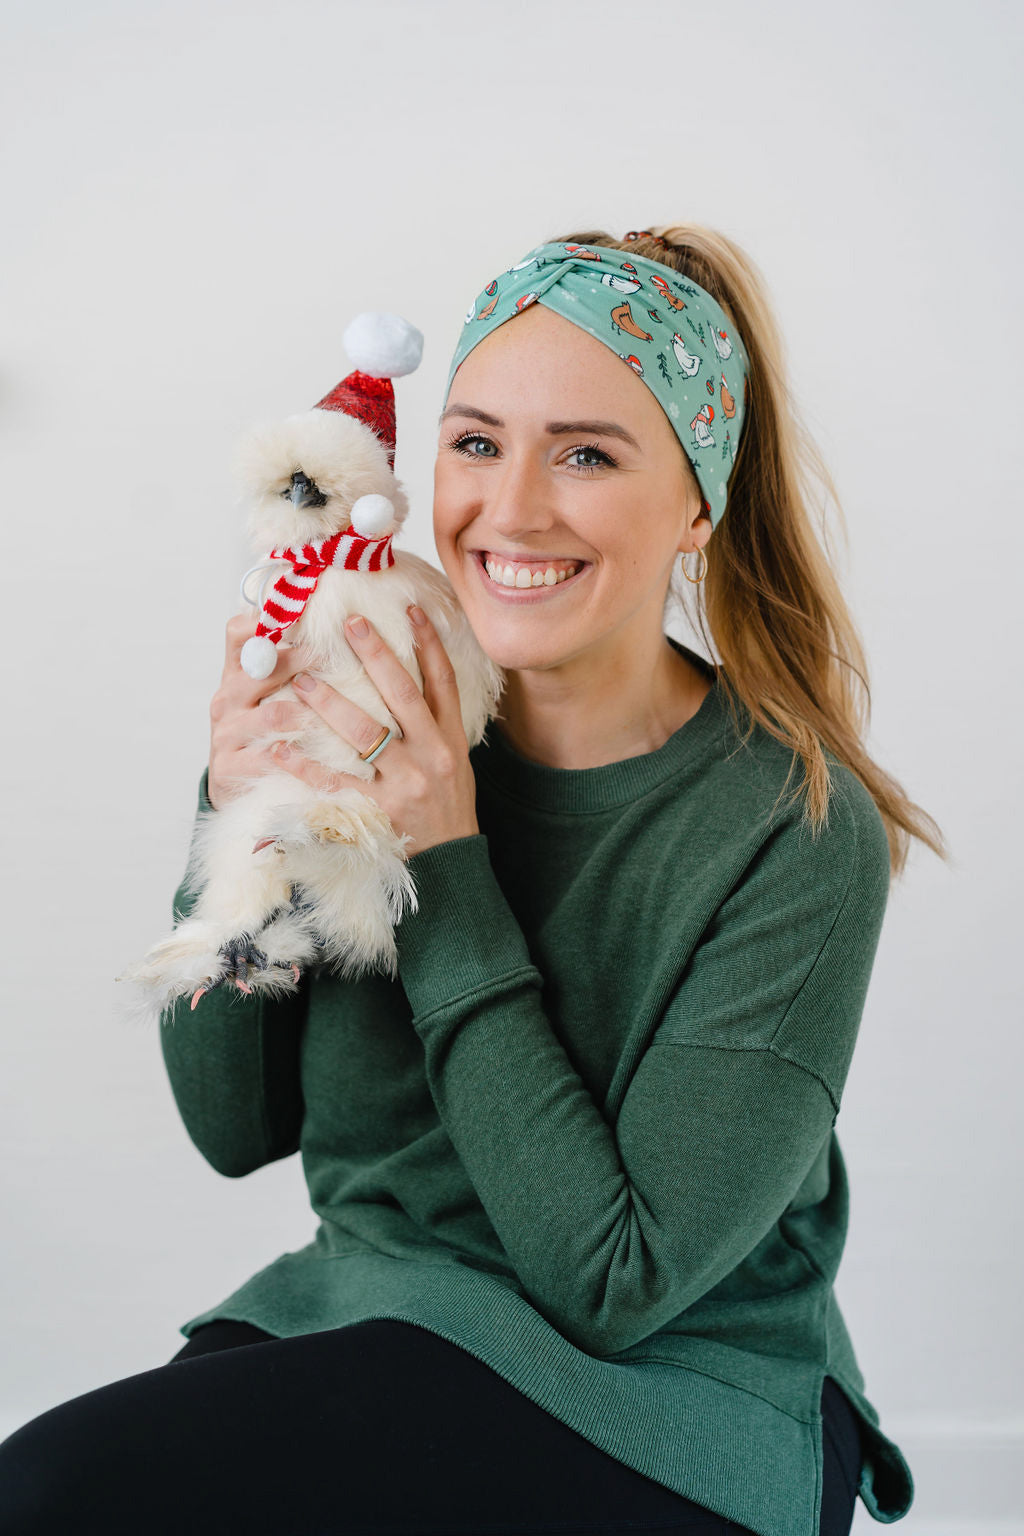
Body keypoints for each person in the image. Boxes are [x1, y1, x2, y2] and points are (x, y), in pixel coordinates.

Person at [0, 227, 944, 1536]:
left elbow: (616, 1283)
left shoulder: (791, 826)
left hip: (675, 1391)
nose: (511, 510)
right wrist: (237, 821)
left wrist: (442, 860)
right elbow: (234, 1127)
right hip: (376, 1309)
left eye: (588, 454)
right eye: (478, 443)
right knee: (52, 1496)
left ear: (698, 504)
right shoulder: (367, 708)